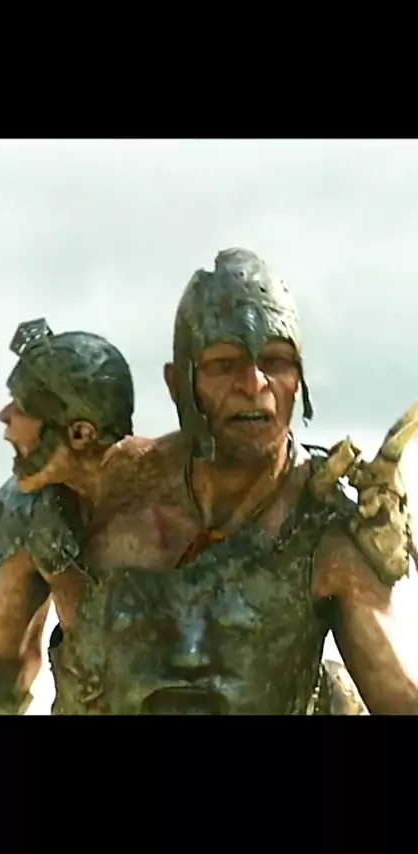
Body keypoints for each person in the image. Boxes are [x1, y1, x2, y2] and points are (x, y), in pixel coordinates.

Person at [41, 247, 418, 715]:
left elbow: (399, 696)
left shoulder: (326, 532)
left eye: (276, 361)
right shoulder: (106, 489)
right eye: (224, 364)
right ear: (178, 383)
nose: (254, 383)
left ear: (298, 380)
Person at [0, 318, 138, 715]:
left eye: (23, 407)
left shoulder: (185, 503)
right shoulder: (37, 510)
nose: (4, 415)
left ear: (80, 434)